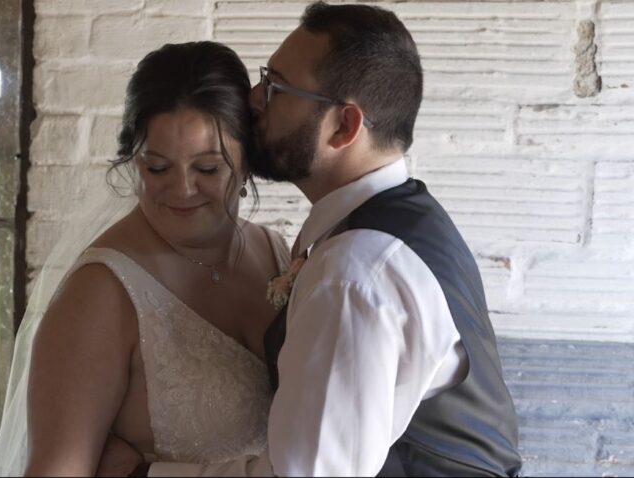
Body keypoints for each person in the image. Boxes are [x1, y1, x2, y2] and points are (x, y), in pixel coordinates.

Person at [100, 2, 523, 476]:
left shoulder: (353, 272)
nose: (254, 98)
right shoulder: (408, 221)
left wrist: (141, 474)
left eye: (277, 87)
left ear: (344, 126)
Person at [0, 41, 293, 476]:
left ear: (246, 164)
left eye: (207, 169)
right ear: (133, 161)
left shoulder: (279, 253)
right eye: (158, 168)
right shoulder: (100, 294)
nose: (182, 190)